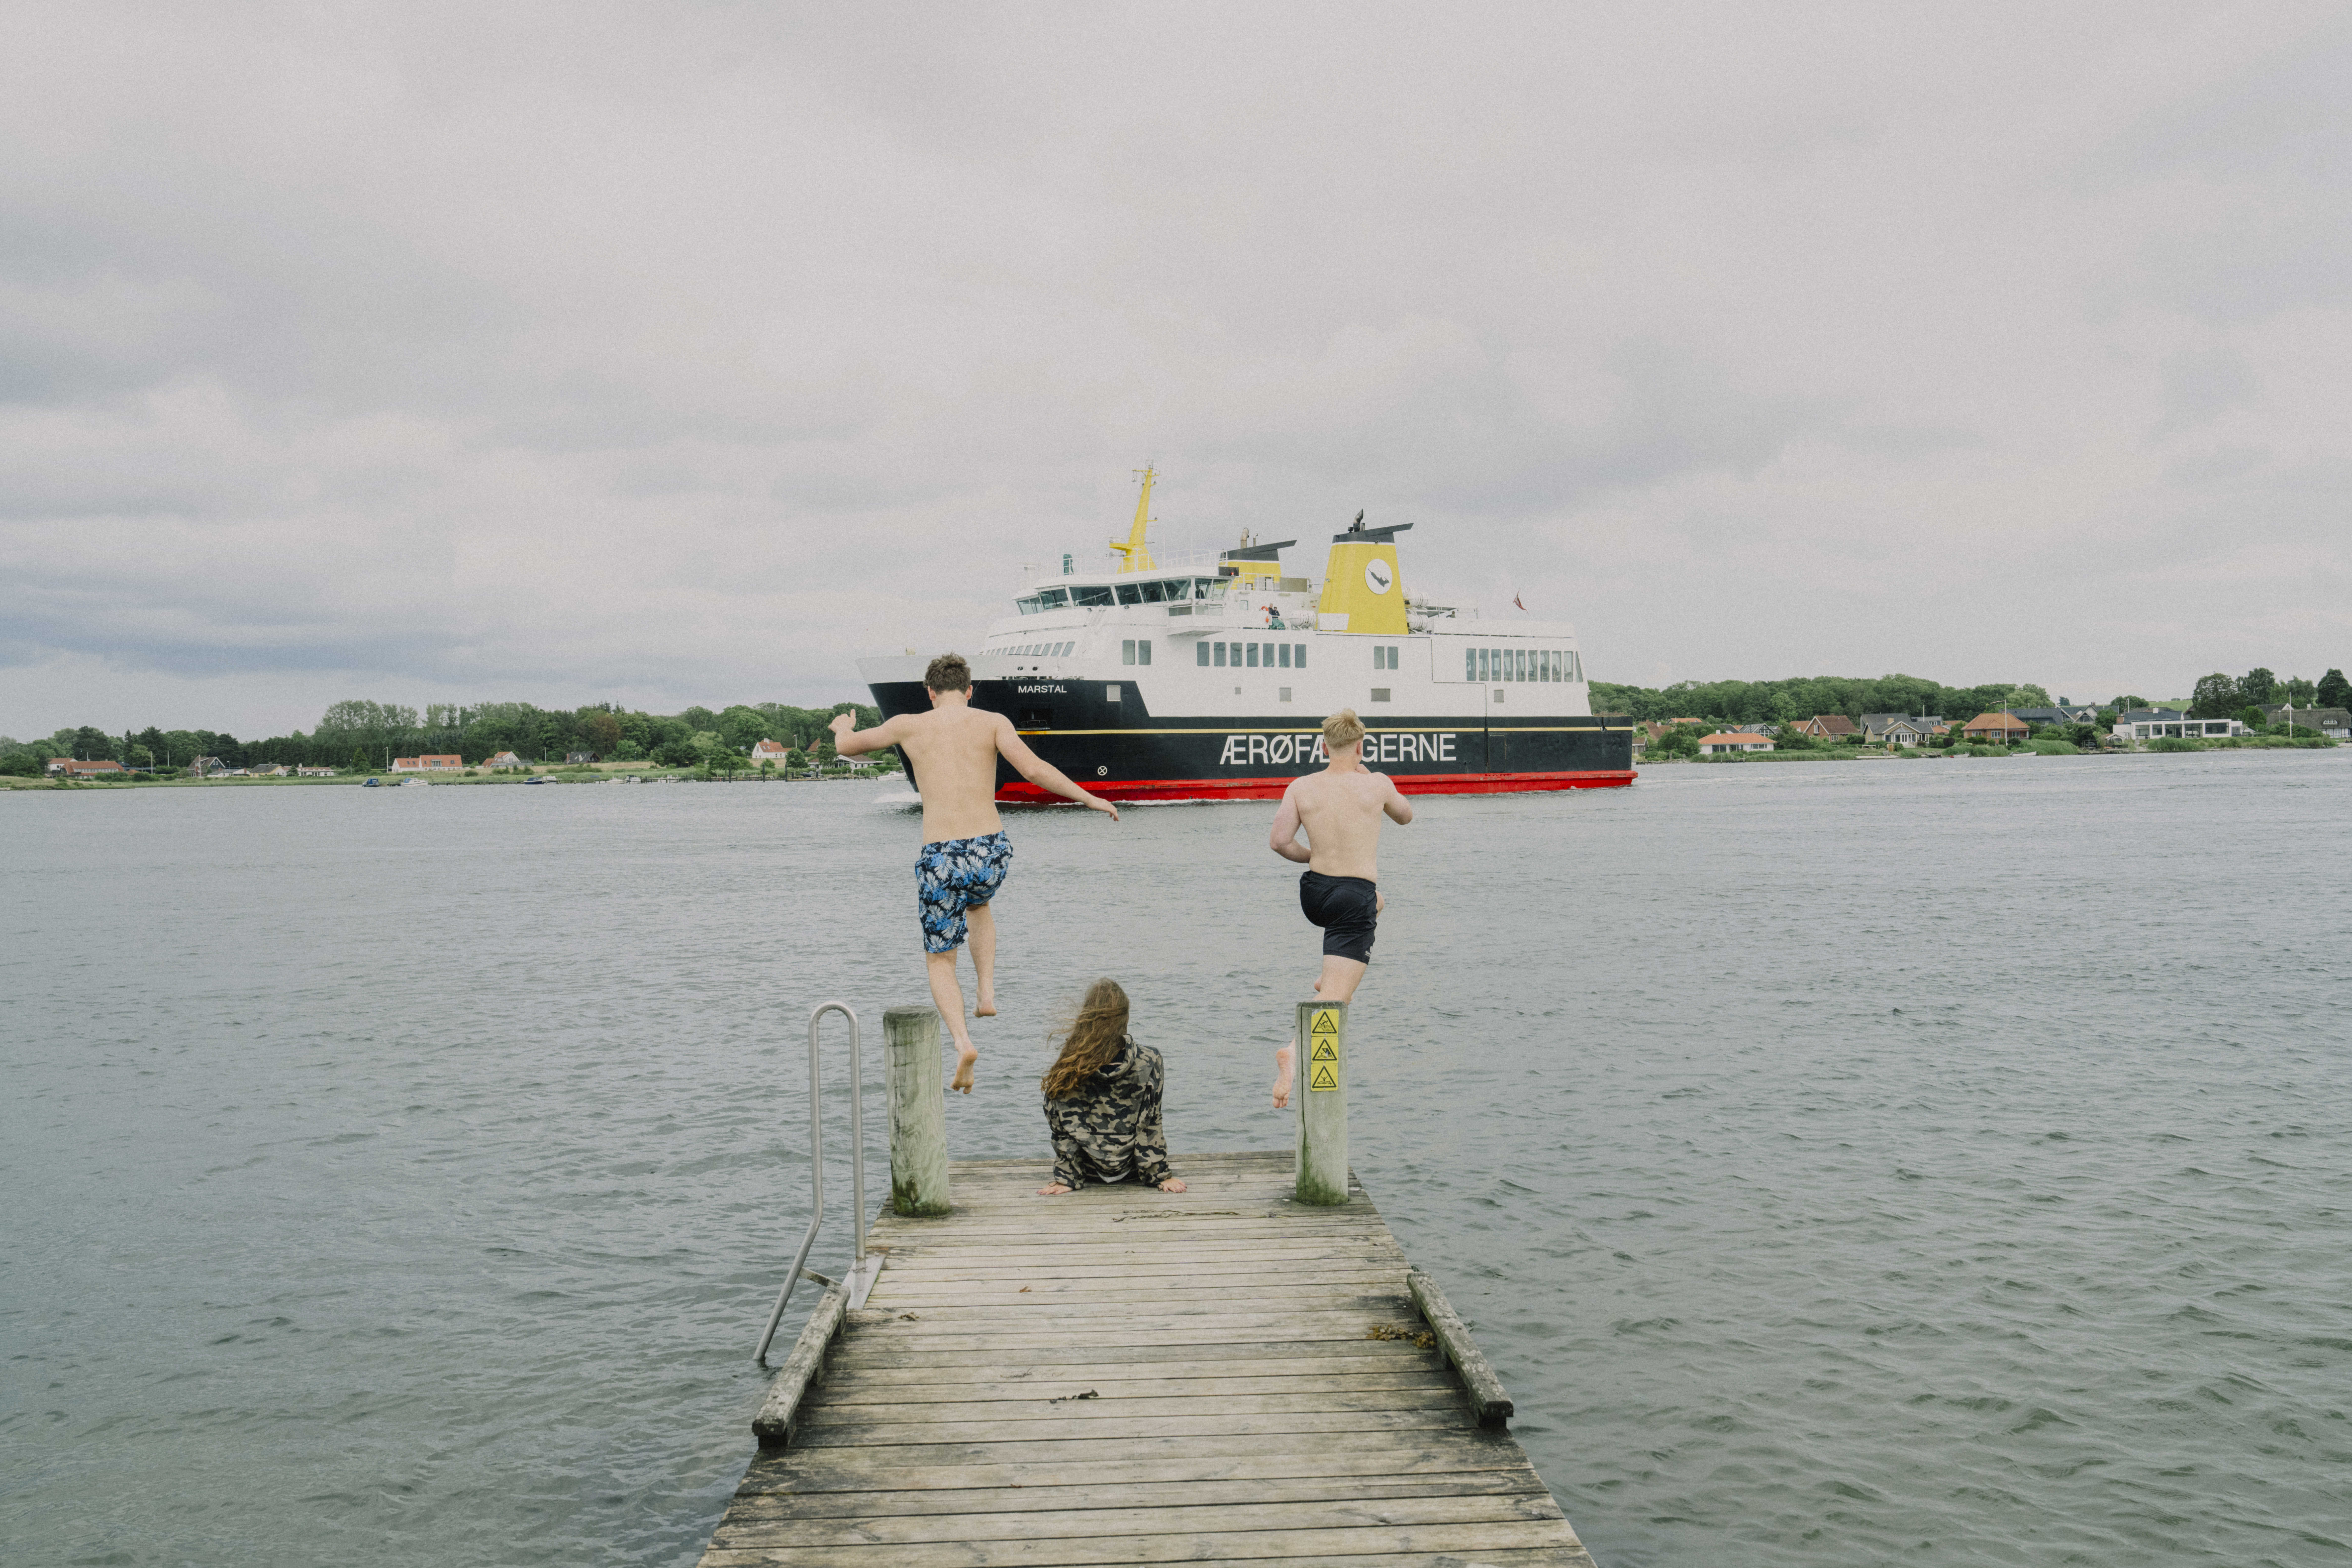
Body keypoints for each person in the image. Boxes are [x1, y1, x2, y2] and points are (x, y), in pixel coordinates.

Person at [830, 654, 1119, 1093]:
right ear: (969, 690)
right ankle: (986, 994)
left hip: (941, 855)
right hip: (991, 849)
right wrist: (1090, 799)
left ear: (929, 692)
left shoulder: (908, 724)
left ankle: (963, 1041)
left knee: (941, 959)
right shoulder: (993, 721)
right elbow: (1035, 769)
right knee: (980, 903)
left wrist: (841, 728)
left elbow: (847, 749)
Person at [1265, 707, 1412, 1108]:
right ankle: (1293, 1052)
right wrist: (1376, 783)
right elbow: (1405, 816)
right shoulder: (1377, 783)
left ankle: (1327, 976)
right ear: (1361, 747)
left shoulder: (1300, 786)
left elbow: (1279, 842)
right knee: (1337, 998)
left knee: (1376, 903)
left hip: (1314, 894)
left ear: (1323, 746)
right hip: (1352, 896)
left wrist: (1315, 856)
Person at [1034, 978, 1186, 1196]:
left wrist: (1067, 1178)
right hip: (1133, 1172)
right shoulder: (1150, 1060)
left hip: (1088, 1173)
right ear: (1125, 1019)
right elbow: (1151, 1121)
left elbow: (1060, 1125)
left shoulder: (1071, 1062)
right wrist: (1161, 1176)